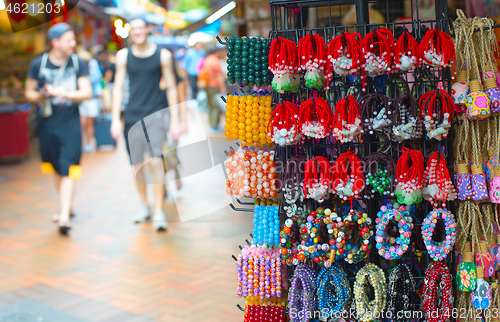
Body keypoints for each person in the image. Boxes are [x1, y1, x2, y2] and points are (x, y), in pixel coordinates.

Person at [110, 17, 185, 231]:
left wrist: (176, 120)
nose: (137, 32)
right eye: (133, 29)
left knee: (155, 162)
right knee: (137, 165)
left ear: (148, 30)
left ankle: (159, 210)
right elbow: (117, 88)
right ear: (130, 32)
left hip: (155, 116)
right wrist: (115, 119)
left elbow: (172, 88)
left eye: (141, 28)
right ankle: (145, 206)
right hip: (132, 116)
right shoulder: (123, 56)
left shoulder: (163, 56)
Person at [25, 23, 92, 234]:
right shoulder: (39, 64)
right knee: (55, 167)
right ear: (55, 42)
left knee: (68, 166)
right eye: (69, 40)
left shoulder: (77, 63)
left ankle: (64, 216)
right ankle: (67, 206)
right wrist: (42, 94)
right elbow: (29, 94)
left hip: (70, 123)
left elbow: (87, 92)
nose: (73, 44)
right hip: (46, 124)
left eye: (74, 40)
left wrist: (66, 93)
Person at [76, 48, 102, 152]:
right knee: (82, 123)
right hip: (81, 99)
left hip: (91, 99)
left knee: (90, 123)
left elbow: (97, 79)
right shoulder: (79, 67)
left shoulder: (93, 66)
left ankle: (89, 143)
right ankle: (81, 143)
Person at [203, 46, 227, 131]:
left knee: (211, 104)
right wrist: (222, 87)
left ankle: (212, 123)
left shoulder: (208, 59)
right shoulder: (215, 61)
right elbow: (219, 76)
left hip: (208, 85)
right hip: (214, 85)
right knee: (215, 105)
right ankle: (214, 125)